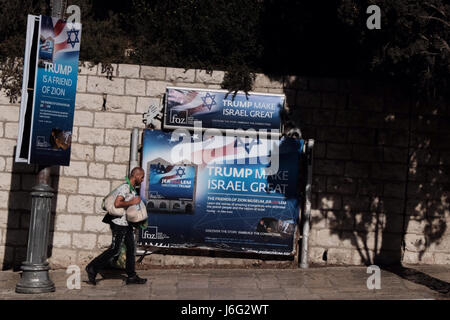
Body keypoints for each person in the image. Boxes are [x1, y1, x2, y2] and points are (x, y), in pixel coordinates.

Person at [85, 167, 147, 285]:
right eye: (142, 177)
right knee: (115, 250)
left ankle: (131, 276)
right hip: (119, 224)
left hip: (126, 223)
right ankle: (92, 268)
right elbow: (118, 203)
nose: (143, 179)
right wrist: (132, 202)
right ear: (136, 176)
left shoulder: (131, 188)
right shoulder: (125, 187)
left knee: (130, 249)